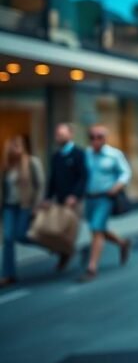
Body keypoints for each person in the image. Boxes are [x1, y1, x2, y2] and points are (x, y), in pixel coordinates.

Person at [81, 125, 132, 282]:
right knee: (97, 228)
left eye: (99, 137)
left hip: (106, 197)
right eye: (92, 137)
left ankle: (92, 267)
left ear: (105, 138)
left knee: (96, 229)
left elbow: (126, 173)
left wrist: (116, 187)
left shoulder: (114, 154)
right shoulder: (86, 154)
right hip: (89, 198)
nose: (95, 140)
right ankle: (122, 243)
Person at [1, 135, 45, 288]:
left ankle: (51, 244)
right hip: (9, 206)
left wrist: (36, 205)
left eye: (18, 146)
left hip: (25, 206)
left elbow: (40, 185)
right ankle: (8, 274)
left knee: (21, 235)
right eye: (13, 146)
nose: (16, 149)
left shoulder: (32, 162)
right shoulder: (6, 167)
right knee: (8, 238)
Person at [43, 123, 88, 271]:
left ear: (70, 134)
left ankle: (67, 255)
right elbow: (52, 179)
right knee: (57, 230)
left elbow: (83, 177)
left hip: (75, 201)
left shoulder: (79, 154)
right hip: (60, 200)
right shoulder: (56, 156)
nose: (59, 137)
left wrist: (75, 195)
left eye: (62, 134)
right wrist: (48, 198)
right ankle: (70, 252)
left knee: (70, 231)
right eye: (57, 135)